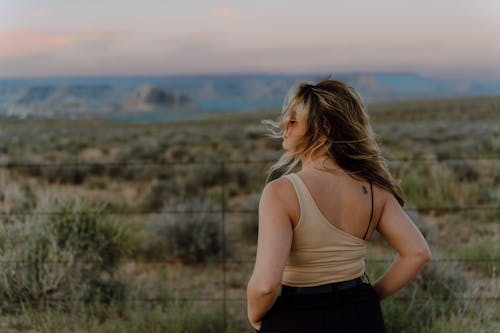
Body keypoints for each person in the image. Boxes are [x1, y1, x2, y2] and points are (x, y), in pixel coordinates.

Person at [246, 79, 431, 332]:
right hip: (360, 317)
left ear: (324, 130)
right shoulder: (376, 189)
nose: (283, 128)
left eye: (293, 121)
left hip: (297, 317)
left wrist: (255, 316)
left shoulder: (281, 192)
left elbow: (266, 286)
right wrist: (368, 297)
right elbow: (418, 252)